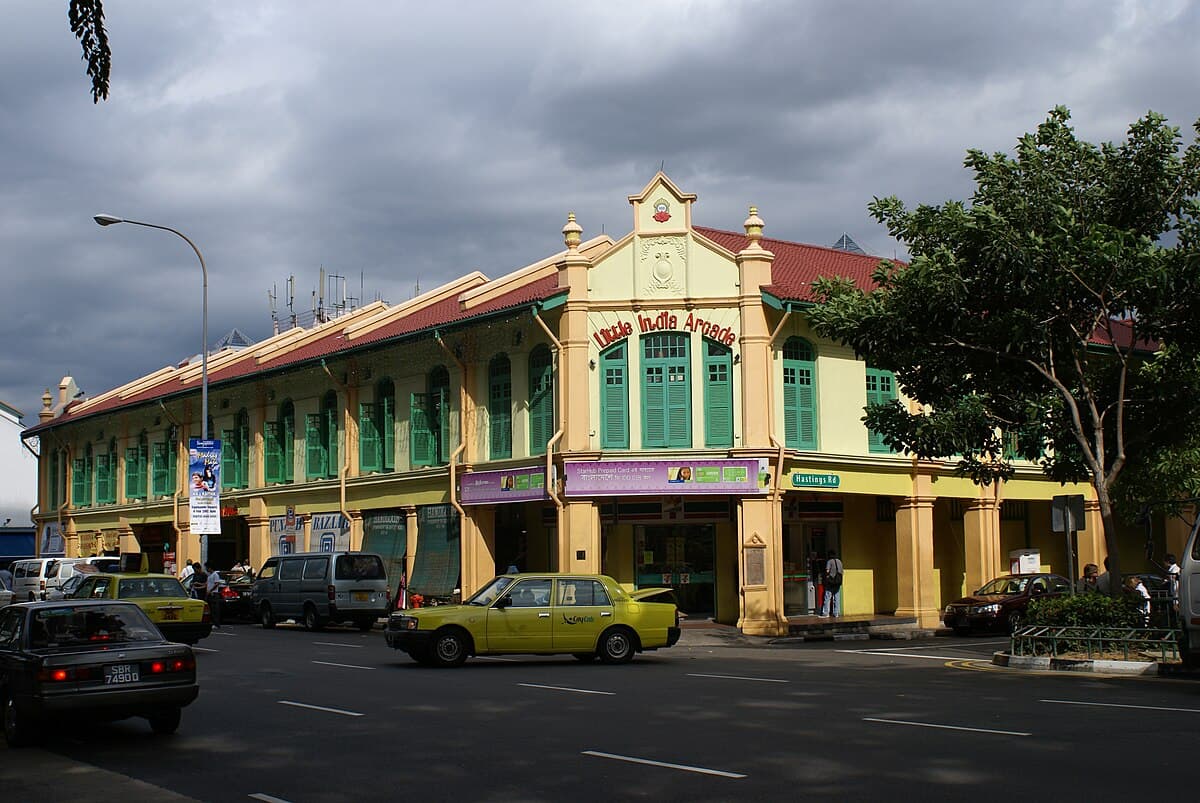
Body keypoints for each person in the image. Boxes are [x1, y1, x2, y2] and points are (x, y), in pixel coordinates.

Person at [821, 550, 844, 618]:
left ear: (830, 555)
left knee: (827, 597)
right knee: (836, 597)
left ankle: (826, 613)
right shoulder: (839, 561)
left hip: (831, 582)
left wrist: (826, 577)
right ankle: (836, 613)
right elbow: (842, 571)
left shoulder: (829, 561)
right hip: (838, 582)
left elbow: (827, 571)